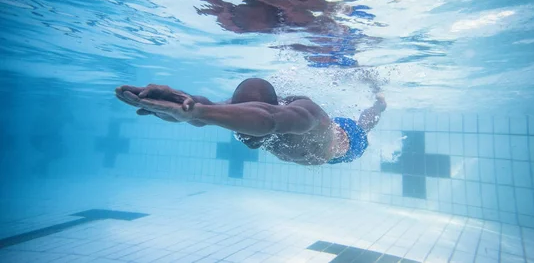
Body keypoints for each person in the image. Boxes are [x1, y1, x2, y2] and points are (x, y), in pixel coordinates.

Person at [115, 78, 386, 165]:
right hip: (312, 151)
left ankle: (379, 103)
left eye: (247, 130)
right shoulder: (238, 113)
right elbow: (199, 108)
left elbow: (268, 121)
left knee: (363, 123)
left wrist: (199, 113)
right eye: (242, 131)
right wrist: (174, 105)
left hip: (346, 143)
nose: (246, 139)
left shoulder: (304, 114)